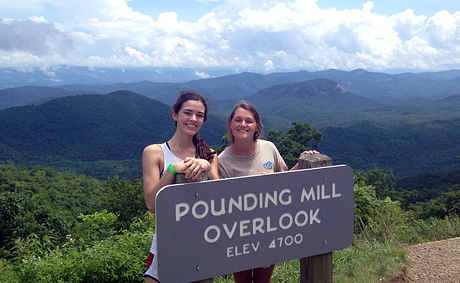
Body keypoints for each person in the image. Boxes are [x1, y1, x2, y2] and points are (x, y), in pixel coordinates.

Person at [218, 101, 318, 283]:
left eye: (249, 121)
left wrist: (303, 161)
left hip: (268, 229)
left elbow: (284, 180)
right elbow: (223, 205)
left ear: (256, 126)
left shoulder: (268, 148)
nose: (243, 124)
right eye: (238, 120)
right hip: (238, 234)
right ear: (230, 124)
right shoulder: (222, 161)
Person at [142, 90, 219, 283]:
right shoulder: (155, 153)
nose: (193, 119)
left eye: (199, 115)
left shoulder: (209, 155)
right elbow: (151, 205)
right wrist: (172, 170)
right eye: (187, 112)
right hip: (165, 248)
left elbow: (221, 200)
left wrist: (206, 166)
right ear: (175, 114)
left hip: (202, 248)